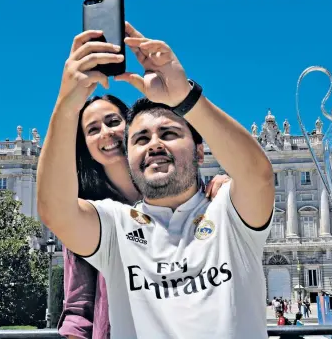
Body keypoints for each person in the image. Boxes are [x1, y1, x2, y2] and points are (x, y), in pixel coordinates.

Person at [37, 22, 275, 338]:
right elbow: (55, 209)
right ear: (130, 160)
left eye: (169, 133)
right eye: (140, 139)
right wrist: (68, 102)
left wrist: (184, 98)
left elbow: (257, 175)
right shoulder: (115, 226)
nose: (154, 144)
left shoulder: (229, 213)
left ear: (200, 152)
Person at [56, 94, 231, 339]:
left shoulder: (181, 189)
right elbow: (78, 308)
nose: (106, 133)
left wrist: (227, 189)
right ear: (85, 145)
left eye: (113, 121)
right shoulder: (86, 214)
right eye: (93, 129)